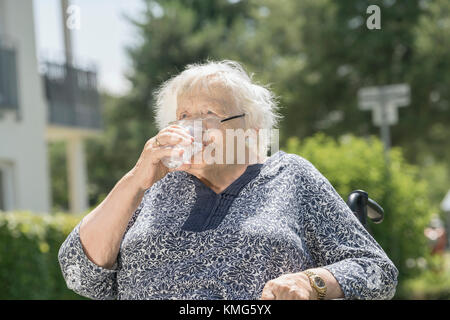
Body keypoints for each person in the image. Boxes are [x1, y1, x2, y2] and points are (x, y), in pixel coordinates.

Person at [58, 60, 398, 300]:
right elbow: (79, 274)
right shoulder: (149, 185)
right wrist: (135, 180)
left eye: (210, 114)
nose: (193, 126)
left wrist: (312, 282)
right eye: (183, 116)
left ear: (250, 132)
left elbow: (377, 272)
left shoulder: (290, 176)